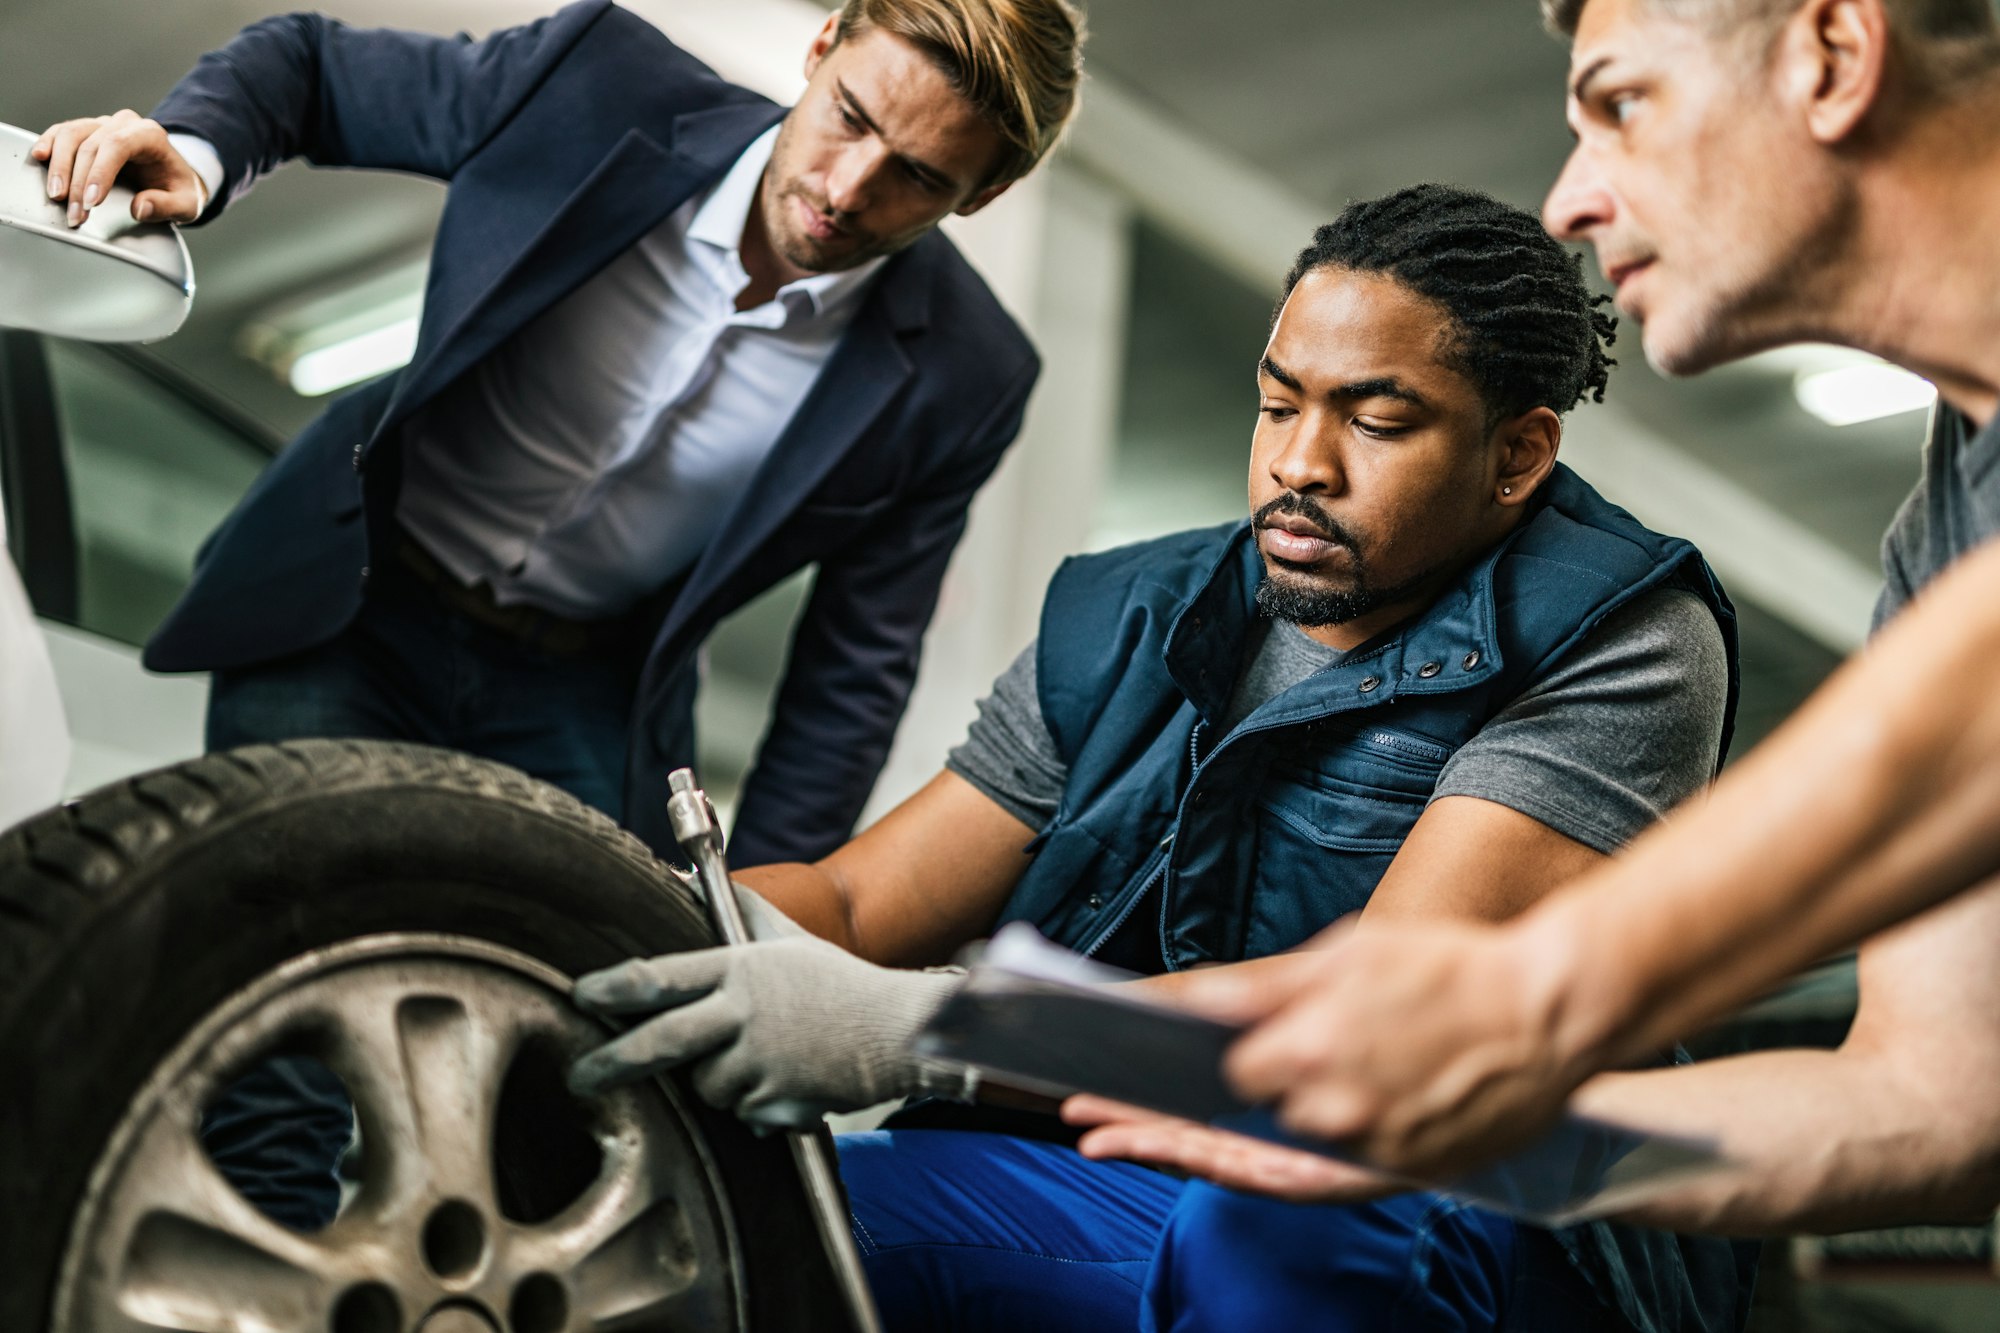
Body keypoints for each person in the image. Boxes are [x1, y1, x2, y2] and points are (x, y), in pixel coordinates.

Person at [570, 186, 1757, 1333]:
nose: (1302, 461)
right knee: (694, 1191)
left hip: (1436, 1217)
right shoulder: (1128, 612)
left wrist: (912, 1030)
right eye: (1277, 403)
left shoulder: (1621, 635)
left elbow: (1368, 1022)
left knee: (847, 1220)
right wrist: (593, 935)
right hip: (1100, 1163)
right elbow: (857, 899)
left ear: (1514, 457)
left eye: (1376, 421)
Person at [31, 0, 1080, 1233]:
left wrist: (759, 915)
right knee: (283, 1018)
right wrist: (197, 154)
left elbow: (851, 667)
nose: (848, 189)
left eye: (915, 177)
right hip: (356, 608)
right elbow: (312, 73)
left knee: (561, 1074)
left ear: (982, 195)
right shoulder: (598, 82)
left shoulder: (967, 371)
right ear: (821, 50)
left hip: (587, 698)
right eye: (850, 117)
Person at [1082, 0, 2000, 1238]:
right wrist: (1481, 1143)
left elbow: (1966, 712)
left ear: (1832, 56)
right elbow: (1929, 1110)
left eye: (1620, 105)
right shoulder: (1949, 524)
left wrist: (1530, 995)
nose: (1568, 198)